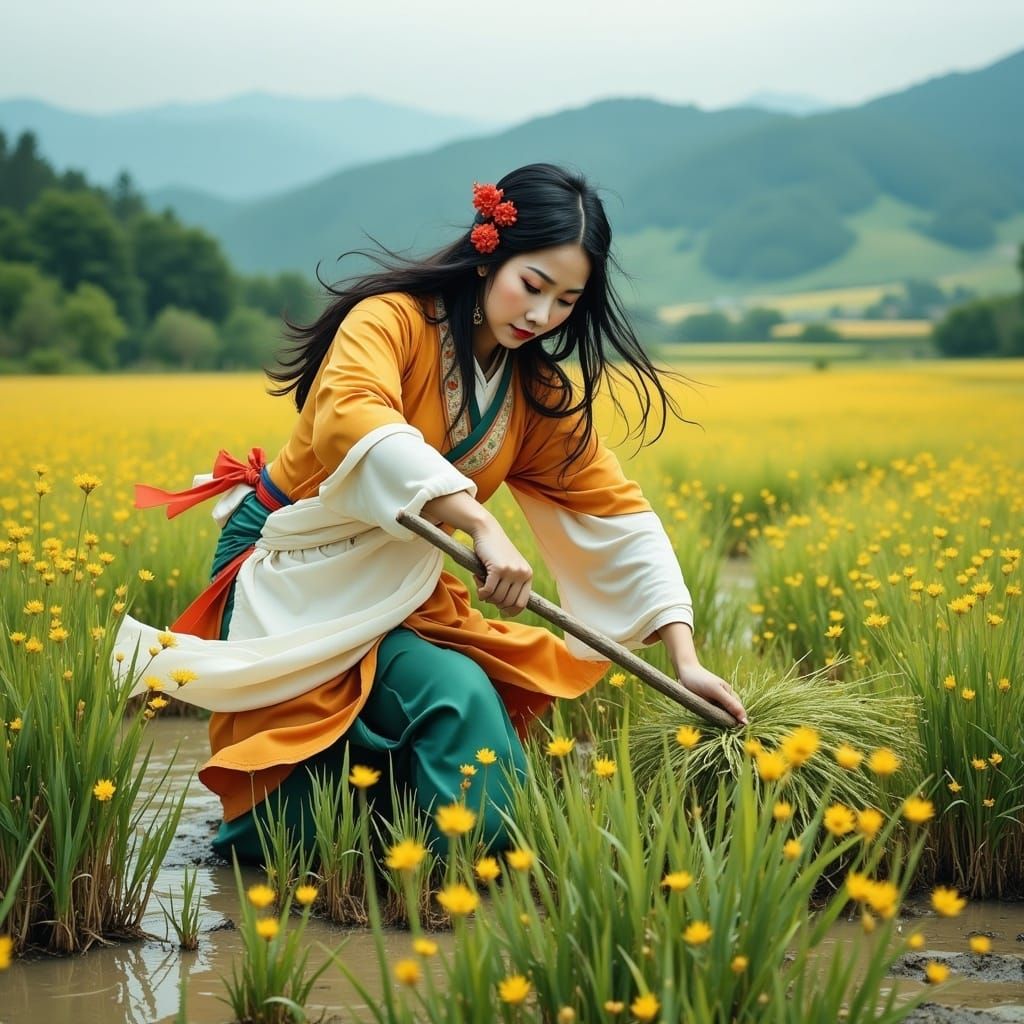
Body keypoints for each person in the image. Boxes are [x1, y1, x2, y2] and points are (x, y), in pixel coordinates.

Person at [124, 163, 748, 863]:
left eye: (566, 300)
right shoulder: (389, 320)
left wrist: (684, 656)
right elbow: (353, 418)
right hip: (292, 565)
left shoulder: (533, 391)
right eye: (532, 285)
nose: (541, 315)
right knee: (290, 831)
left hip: (404, 579)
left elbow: (614, 513)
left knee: (459, 699)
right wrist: (479, 521)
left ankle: (456, 872)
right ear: (490, 255)